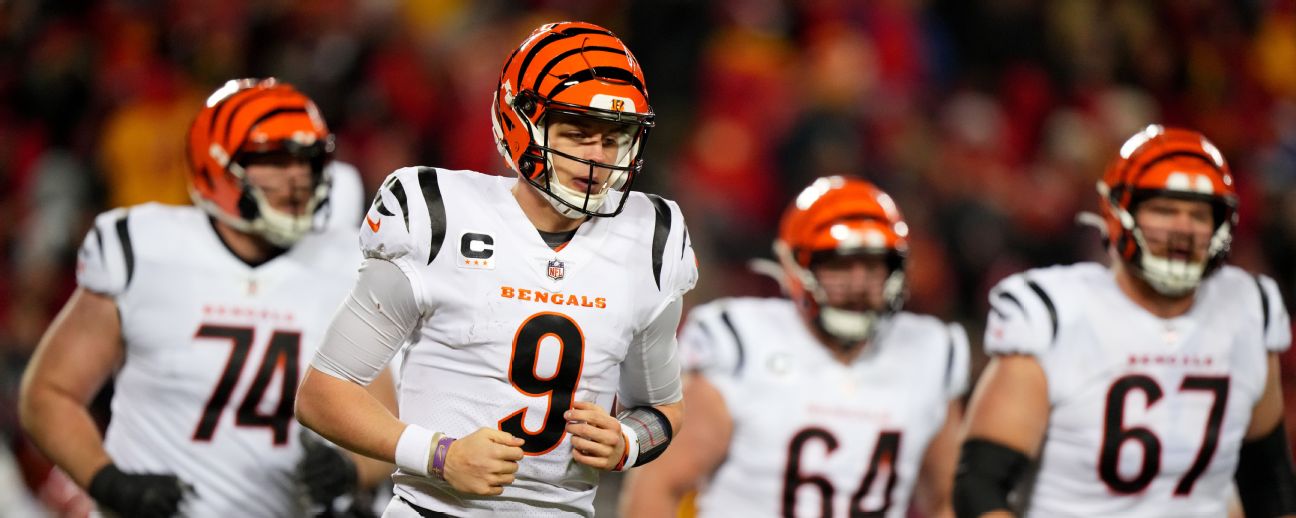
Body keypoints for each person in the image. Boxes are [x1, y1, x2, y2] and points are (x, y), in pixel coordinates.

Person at [294, 20, 698, 517]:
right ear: (521, 124)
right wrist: (439, 456)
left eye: (614, 139)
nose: (597, 158)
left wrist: (628, 442)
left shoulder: (650, 238)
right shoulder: (437, 215)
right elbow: (323, 393)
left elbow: (663, 409)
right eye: (577, 133)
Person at [18, 78, 396, 517]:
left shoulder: (345, 263)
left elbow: (384, 425)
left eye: (307, 160)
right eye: (273, 160)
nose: (297, 178)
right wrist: (108, 481)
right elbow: (49, 393)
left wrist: (348, 469)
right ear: (217, 166)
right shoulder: (144, 248)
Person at [953, 125, 1296, 517]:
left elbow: (1269, 485)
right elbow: (980, 487)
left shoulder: (1248, 310)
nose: (1182, 230)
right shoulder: (1054, 314)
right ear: (1119, 213)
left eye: (1199, 214)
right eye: (1164, 210)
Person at [619, 176, 967, 518]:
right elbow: (660, 486)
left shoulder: (929, 353)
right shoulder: (741, 342)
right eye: (840, 264)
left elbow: (947, 500)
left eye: (874, 265)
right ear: (796, 265)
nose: (859, 284)